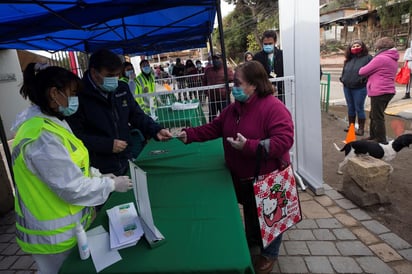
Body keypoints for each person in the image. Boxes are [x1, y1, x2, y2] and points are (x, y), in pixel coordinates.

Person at [11, 63, 133, 274]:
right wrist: (110, 184)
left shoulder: (53, 122)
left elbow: (74, 165)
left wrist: (99, 175)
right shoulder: (43, 137)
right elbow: (72, 187)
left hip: (67, 229)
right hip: (53, 236)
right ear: (54, 94)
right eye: (73, 93)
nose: (76, 99)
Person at [178, 61, 294, 274]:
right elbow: (215, 128)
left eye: (238, 83)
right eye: (233, 83)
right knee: (251, 212)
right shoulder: (233, 109)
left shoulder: (273, 108)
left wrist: (249, 146)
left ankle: (270, 254)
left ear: (254, 85)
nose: (234, 87)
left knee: (272, 218)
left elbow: (284, 141)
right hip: (244, 177)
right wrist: (189, 135)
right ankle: (252, 244)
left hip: (268, 177)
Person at [66, 49, 173, 176]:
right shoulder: (77, 95)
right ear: (94, 73)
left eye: (117, 75)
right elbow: (75, 136)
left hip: (125, 159)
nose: (114, 80)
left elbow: (136, 114)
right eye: (110, 75)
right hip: (98, 169)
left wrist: (155, 129)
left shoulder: (121, 88)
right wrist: (107, 145)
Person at [359, 37, 399, 143]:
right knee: (374, 114)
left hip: (380, 91)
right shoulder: (392, 58)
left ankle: (380, 139)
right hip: (387, 90)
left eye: (377, 48)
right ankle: (373, 136)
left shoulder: (381, 58)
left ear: (380, 48)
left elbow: (362, 71)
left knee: (377, 116)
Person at [339, 40, 372, 136]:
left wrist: (364, 80)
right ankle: (351, 127)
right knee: (350, 107)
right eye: (353, 46)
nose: (355, 47)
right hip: (347, 87)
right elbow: (344, 70)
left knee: (359, 108)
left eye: (358, 45)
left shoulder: (368, 58)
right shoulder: (348, 59)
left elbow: (371, 71)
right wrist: (342, 79)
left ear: (362, 47)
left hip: (360, 88)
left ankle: (361, 129)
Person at [253, 30, 284, 103]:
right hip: (263, 92)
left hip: (280, 92)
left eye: (270, 43)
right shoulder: (257, 57)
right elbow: (255, 74)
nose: (268, 46)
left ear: (275, 42)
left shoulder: (282, 55)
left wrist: (277, 87)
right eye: (265, 44)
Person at [202, 54, 234, 122]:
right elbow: (204, 81)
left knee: (226, 116)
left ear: (221, 59)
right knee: (212, 117)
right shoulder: (208, 70)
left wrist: (227, 91)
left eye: (217, 58)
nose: (215, 60)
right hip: (212, 98)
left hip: (224, 98)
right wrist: (207, 92)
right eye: (214, 59)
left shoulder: (226, 69)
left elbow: (232, 80)